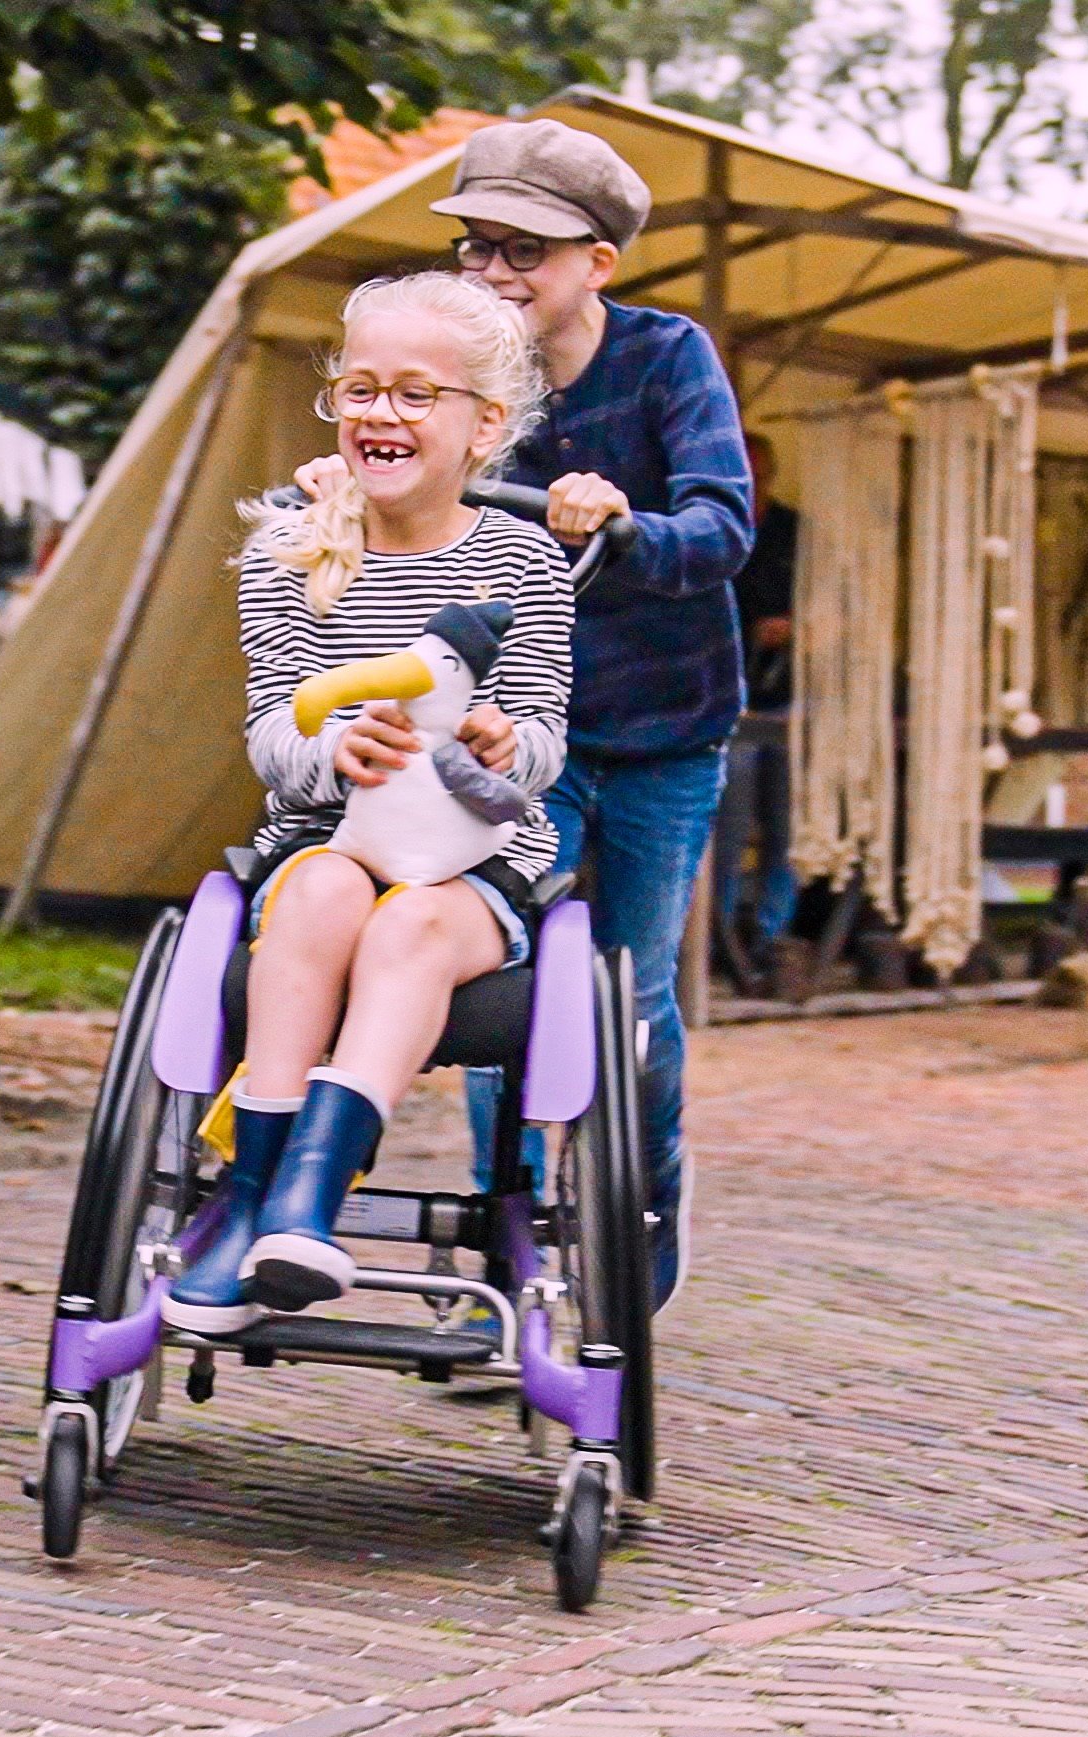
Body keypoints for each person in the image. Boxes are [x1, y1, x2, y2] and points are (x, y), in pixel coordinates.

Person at [302, 120, 751, 1310]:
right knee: (494, 982)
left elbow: (723, 529)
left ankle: (639, 1222)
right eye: (475, 247)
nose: (493, 275)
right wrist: (346, 490)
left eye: (525, 253)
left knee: (632, 994)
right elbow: (398, 491)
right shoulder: (450, 372)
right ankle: (509, 1246)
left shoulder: (664, 361)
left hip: (660, 729)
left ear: (596, 264)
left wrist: (618, 525)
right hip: (502, 732)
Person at [164, 270, 572, 1334]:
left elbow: (540, 735)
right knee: (322, 898)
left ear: (483, 425)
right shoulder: (286, 554)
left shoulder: (524, 559)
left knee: (411, 927)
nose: (377, 414)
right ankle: (253, 1196)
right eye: (357, 390)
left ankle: (306, 1197)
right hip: (326, 839)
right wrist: (333, 747)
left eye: (411, 394)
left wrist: (499, 742)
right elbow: (268, 731)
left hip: (467, 858)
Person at [713, 432, 799, 950]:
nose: (753, 486)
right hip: (729, 700)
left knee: (786, 826)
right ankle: (718, 934)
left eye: (761, 476)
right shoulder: (716, 529)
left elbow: (834, 608)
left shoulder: (794, 533)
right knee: (728, 824)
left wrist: (798, 626)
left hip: (787, 699)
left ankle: (771, 936)